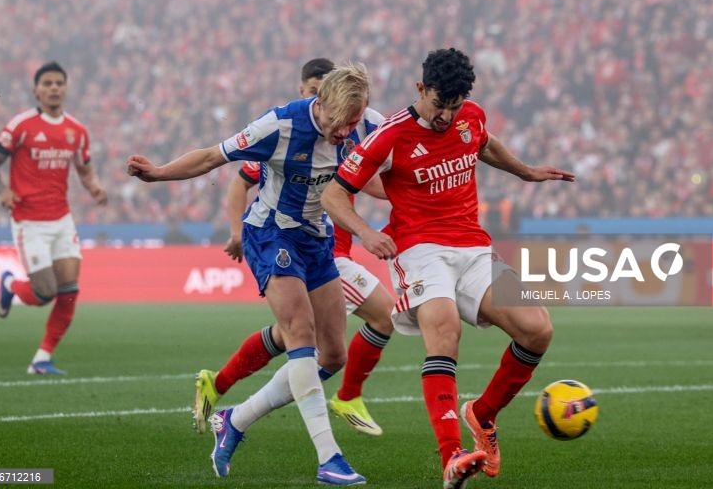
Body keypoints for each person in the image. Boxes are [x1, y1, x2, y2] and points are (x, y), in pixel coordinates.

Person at [322, 48, 575, 488]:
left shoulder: (469, 117)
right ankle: (452, 456)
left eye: (454, 106)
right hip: (419, 249)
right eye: (439, 104)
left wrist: (524, 172)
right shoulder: (389, 135)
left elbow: (484, 143)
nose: (446, 116)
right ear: (421, 88)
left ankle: (483, 415)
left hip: (473, 247)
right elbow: (333, 194)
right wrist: (364, 232)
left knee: (537, 329)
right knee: (445, 331)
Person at [127, 62, 377, 486]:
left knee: (334, 355)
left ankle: (235, 420)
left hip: (317, 239)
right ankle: (329, 458)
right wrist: (159, 173)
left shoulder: (367, 124)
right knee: (300, 332)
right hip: (271, 234)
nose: (346, 131)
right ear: (322, 102)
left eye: (354, 121)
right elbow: (212, 156)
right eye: (341, 121)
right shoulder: (279, 125)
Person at [193, 58, 394, 439]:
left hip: (325, 248)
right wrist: (236, 231)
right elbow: (240, 179)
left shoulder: (353, 134)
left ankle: (219, 386)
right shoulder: (286, 137)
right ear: (306, 94)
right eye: (313, 93)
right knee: (380, 316)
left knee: (295, 336)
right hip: (315, 250)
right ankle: (347, 397)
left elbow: (371, 182)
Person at [0, 61, 107, 376]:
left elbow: (84, 168)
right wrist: (3, 191)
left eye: (59, 83)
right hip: (29, 221)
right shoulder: (21, 126)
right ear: (36, 90)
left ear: (66, 88)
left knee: (70, 290)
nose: (54, 88)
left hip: (61, 219)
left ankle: (41, 358)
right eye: (47, 83)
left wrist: (94, 187)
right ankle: (10, 284)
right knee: (44, 292)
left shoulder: (77, 131)